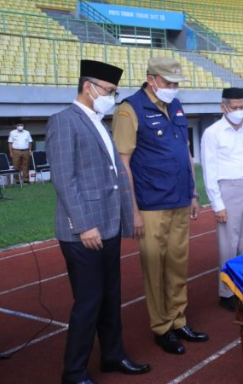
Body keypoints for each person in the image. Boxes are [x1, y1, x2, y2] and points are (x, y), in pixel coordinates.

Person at [47, 60, 150, 384]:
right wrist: (84, 224)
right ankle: (74, 372)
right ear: (88, 87)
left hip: (108, 226)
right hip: (84, 231)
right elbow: (65, 180)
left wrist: (126, 214)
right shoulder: (64, 122)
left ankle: (112, 355)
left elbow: (115, 173)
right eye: (108, 91)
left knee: (110, 297)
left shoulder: (98, 123)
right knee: (89, 302)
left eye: (115, 92)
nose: (112, 97)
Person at [112, 57, 208, 355]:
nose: (173, 88)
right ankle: (162, 327)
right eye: (168, 83)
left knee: (178, 264)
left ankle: (178, 320)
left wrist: (193, 193)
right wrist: (133, 210)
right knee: (155, 267)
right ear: (151, 79)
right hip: (152, 203)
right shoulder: (129, 110)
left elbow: (185, 152)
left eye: (176, 83)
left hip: (180, 198)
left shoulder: (176, 105)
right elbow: (123, 163)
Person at [201, 88, 243, 312]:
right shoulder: (212, 132)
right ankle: (226, 292)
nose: (239, 111)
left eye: (242, 106)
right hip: (227, 188)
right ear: (223, 107)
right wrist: (217, 203)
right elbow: (209, 169)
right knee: (228, 243)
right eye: (235, 107)